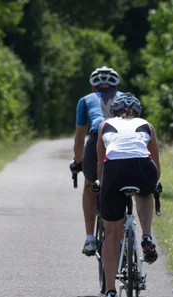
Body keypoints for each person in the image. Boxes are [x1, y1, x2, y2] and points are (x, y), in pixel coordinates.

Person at [95, 92, 161, 297]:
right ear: (138, 112)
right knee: (145, 192)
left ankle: (111, 292)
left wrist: (103, 187)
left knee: (111, 234)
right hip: (143, 168)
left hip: (114, 171)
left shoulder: (105, 125)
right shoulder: (147, 125)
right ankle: (146, 236)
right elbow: (155, 162)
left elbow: (101, 165)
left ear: (114, 112)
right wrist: (154, 184)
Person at [70, 66, 122, 256]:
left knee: (90, 185)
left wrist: (77, 162)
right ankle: (124, 230)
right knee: (123, 184)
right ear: (117, 88)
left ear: (94, 88)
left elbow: (79, 139)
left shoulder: (85, 101)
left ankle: (90, 239)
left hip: (97, 140)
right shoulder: (128, 98)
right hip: (124, 142)